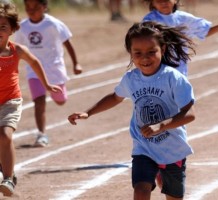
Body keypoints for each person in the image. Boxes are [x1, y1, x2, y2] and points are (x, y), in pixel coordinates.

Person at [68, 21, 196, 200]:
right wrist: (88, 112)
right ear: (130, 53)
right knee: (141, 190)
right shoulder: (131, 79)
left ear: (163, 49)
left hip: (172, 149)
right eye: (138, 53)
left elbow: (189, 114)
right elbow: (115, 97)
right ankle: (154, 173)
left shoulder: (173, 78)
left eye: (152, 52)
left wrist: (160, 125)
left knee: (173, 197)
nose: (145, 58)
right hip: (143, 147)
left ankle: (162, 174)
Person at [0, 1, 61, 196]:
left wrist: (46, 84)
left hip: (10, 101)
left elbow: (35, 62)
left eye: (2, 27)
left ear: (12, 29)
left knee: (5, 135)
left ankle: (8, 179)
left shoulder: (17, 50)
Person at [14, 0, 83, 147]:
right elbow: (18, 48)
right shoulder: (23, 27)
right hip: (34, 70)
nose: (31, 11)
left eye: (35, 7)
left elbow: (67, 43)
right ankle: (41, 134)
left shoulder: (53, 24)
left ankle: (59, 94)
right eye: (28, 8)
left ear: (44, 7)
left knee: (60, 100)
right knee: (39, 102)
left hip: (54, 69)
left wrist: (76, 63)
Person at [142, 0, 218, 76]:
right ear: (153, 3)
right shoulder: (149, 20)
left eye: (167, 0)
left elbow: (204, 31)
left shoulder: (184, 18)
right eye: (158, 0)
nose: (163, 3)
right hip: (157, 68)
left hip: (180, 68)